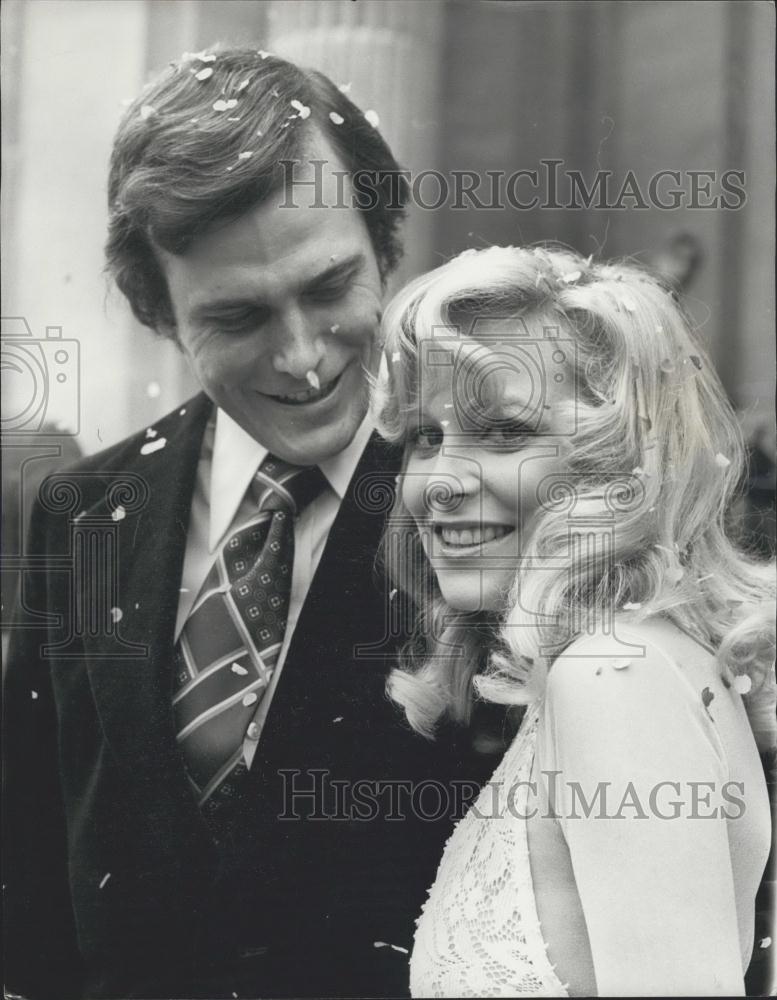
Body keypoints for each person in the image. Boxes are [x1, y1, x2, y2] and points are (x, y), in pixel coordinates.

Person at [3, 48, 495, 1000]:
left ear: (384, 245)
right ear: (160, 313)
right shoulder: (80, 515)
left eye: (327, 288)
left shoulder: (495, 496)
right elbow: (35, 873)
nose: (303, 357)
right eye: (236, 317)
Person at [374, 244, 776, 996]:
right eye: (426, 437)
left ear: (618, 460)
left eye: (502, 433)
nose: (440, 484)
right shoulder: (617, 665)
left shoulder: (611, 674)